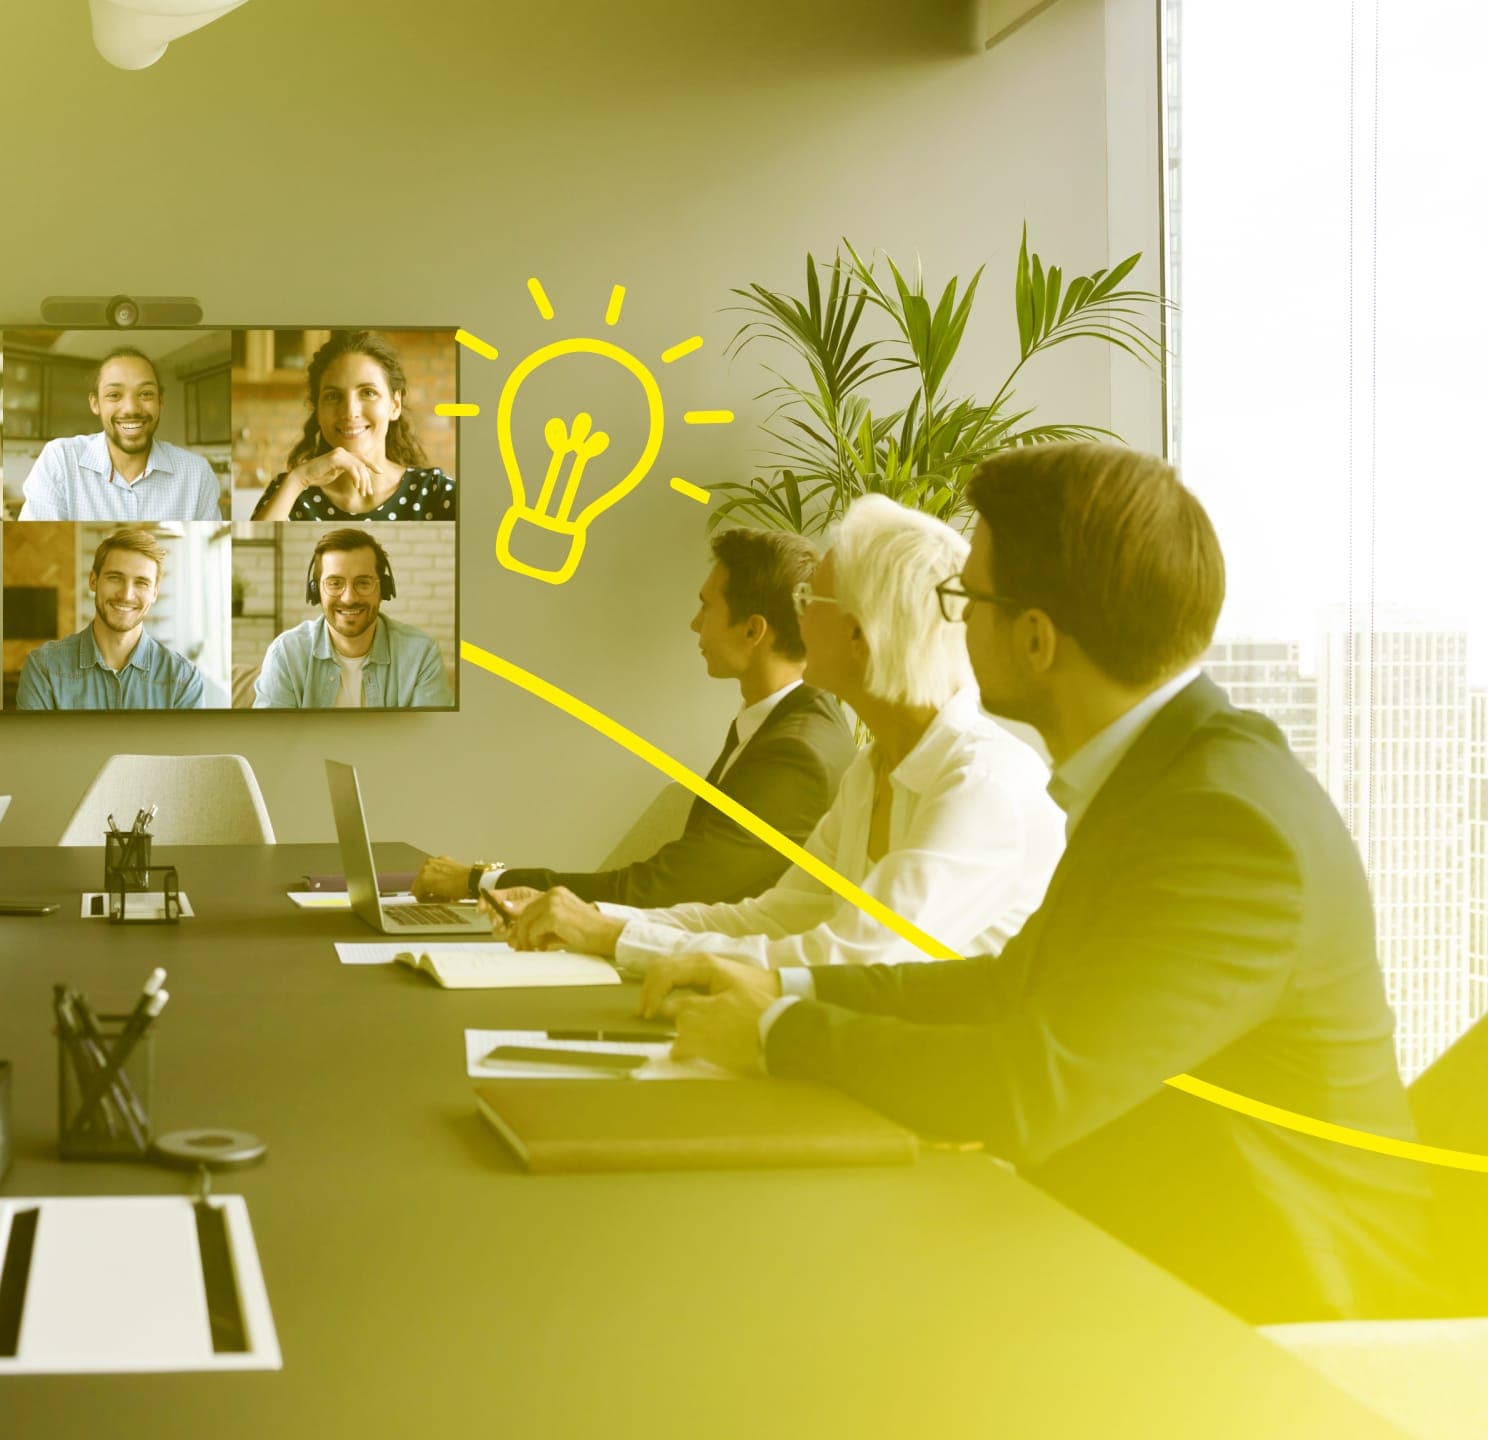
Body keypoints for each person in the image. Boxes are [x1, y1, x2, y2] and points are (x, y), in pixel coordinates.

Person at [641, 443, 1437, 1323]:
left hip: (1279, 1311)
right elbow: (1012, 985)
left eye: (965, 599)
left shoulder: (1224, 820)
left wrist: (778, 1030)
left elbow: (1032, 1086)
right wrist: (782, 984)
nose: (949, 623)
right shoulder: (1162, 774)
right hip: (1159, 1240)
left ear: (1034, 638)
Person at [494, 495, 1063, 971]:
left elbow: (853, 960)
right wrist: (591, 918)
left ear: (862, 635)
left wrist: (610, 937)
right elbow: (769, 917)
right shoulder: (871, 771)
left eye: (807, 597)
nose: (796, 616)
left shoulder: (982, 786)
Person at [414, 528, 854, 906]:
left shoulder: (795, 753)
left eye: (706, 606)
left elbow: (656, 891)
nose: (695, 624)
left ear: (753, 630)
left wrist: (480, 882)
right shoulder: (785, 720)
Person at [248, 330, 455, 523]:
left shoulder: (437, 492)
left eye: (368, 392)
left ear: (395, 405)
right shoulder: (289, 489)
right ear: (317, 411)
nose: (349, 411)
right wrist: (299, 480)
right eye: (333, 396)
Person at [253, 528, 452, 708]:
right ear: (315, 591)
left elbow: (431, 741)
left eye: (363, 583)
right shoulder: (285, 654)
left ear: (384, 588)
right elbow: (270, 740)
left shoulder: (421, 653)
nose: (349, 598)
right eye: (335, 583)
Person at [15, 525, 208, 709]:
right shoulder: (43, 668)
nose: (126, 594)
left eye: (141, 582)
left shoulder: (183, 679)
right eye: (115, 578)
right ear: (93, 580)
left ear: (155, 593)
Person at [18, 347, 223, 521]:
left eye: (145, 394)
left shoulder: (197, 474)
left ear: (161, 402)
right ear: (95, 403)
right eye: (114, 395)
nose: (131, 408)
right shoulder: (60, 460)